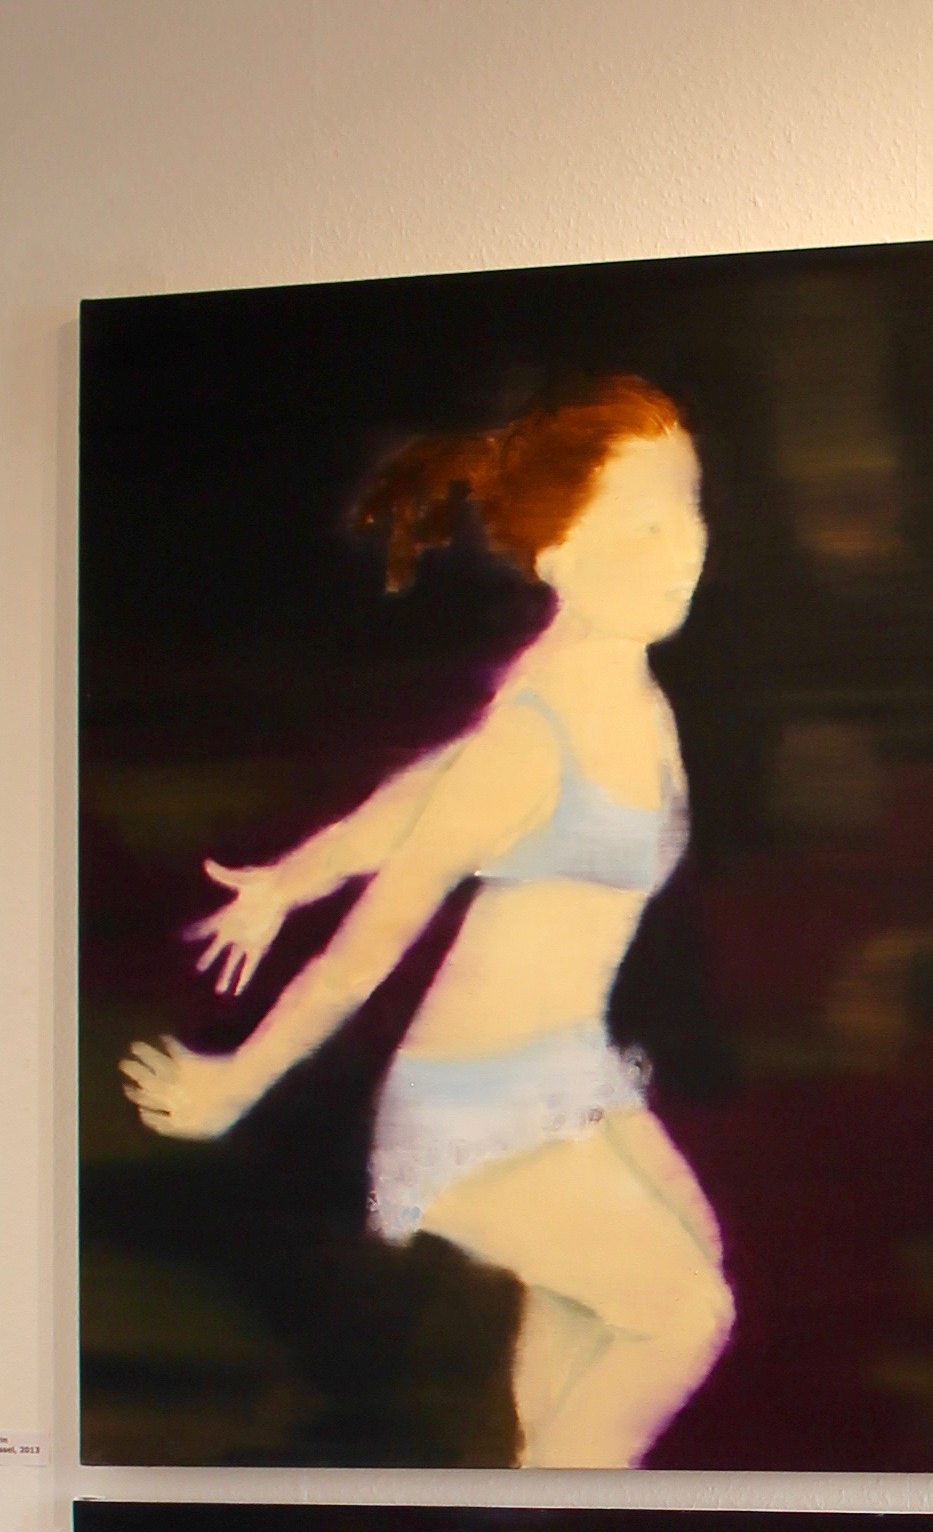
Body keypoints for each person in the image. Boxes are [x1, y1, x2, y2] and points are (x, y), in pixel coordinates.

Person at [120, 382, 731, 1470]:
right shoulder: (536, 732)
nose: (679, 546)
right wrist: (236, 1084)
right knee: (685, 1316)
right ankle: (546, 1524)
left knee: (636, 1302)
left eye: (685, 507)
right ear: (559, 558)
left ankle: (539, 1525)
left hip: (567, 1073)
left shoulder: (622, 695)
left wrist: (292, 877)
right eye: (639, 526)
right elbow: (371, 944)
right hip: (475, 1108)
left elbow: (417, 795)